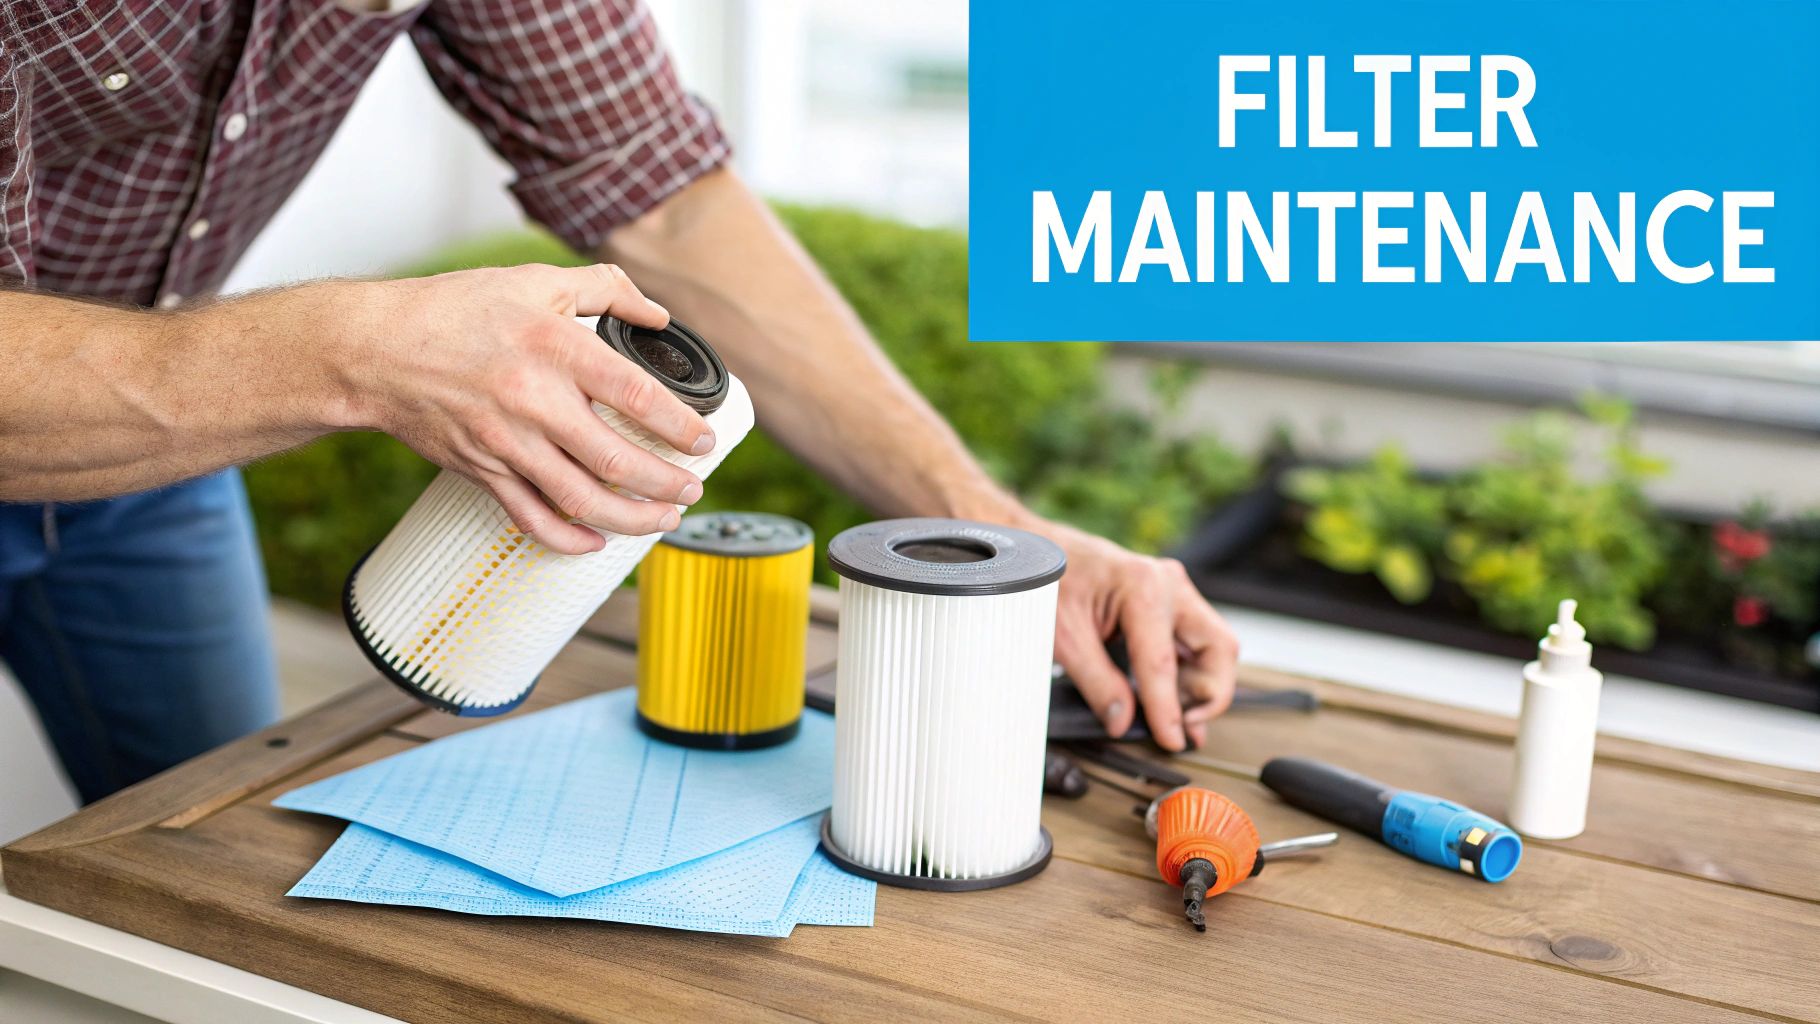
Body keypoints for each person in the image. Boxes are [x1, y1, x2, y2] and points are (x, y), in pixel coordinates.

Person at [0, 0, 1237, 803]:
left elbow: (664, 200)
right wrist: (356, 350)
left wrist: (997, 533)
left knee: (196, 862)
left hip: (157, 464)